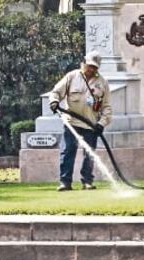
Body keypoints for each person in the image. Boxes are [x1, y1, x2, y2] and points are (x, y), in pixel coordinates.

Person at [48, 51, 112, 191]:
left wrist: (101, 124)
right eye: (89, 66)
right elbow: (55, 92)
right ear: (83, 63)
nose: (91, 69)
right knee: (68, 151)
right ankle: (65, 182)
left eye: (94, 67)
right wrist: (54, 102)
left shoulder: (102, 83)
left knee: (89, 154)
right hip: (72, 122)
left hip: (91, 124)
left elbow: (107, 107)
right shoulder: (72, 76)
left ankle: (87, 181)